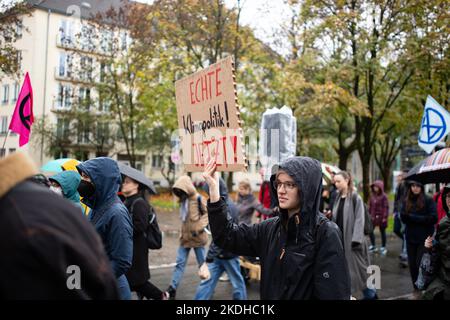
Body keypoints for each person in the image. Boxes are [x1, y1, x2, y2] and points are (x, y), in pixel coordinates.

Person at [203, 156, 351, 299]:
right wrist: (214, 190)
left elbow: (333, 292)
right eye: (279, 183)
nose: (281, 190)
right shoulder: (270, 228)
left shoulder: (325, 233)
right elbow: (227, 236)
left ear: (307, 188)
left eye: (290, 184)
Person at [0, 152, 119, 299]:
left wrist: (75, 287)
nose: (54, 188)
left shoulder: (108, 210)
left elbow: (114, 259)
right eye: (53, 184)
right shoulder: (58, 207)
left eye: (87, 177)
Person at [76, 157, 133, 300]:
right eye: (82, 176)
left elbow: (122, 260)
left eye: (86, 177)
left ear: (101, 179)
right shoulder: (96, 207)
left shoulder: (117, 213)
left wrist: (95, 278)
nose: (82, 181)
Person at [194, 178, 247, 300]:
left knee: (236, 284)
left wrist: (208, 259)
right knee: (233, 283)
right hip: (224, 253)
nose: (208, 194)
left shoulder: (224, 206)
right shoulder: (223, 203)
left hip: (227, 253)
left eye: (209, 191)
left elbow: (222, 237)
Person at [121, 175, 168, 300]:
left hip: (137, 249)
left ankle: (161, 296)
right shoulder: (127, 200)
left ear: (136, 185)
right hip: (130, 247)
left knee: (137, 282)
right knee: (135, 282)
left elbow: (140, 226)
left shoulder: (139, 202)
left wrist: (122, 230)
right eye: (123, 182)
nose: (123, 184)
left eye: (127, 182)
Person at [332, 171, 376, 299]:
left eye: (339, 181)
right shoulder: (338, 197)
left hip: (353, 244)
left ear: (347, 180)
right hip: (341, 242)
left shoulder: (355, 197)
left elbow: (359, 219)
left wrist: (356, 241)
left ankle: (371, 295)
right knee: (346, 274)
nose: (336, 184)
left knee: (361, 273)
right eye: (335, 182)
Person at [167, 175, 209, 299]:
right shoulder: (183, 201)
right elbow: (184, 220)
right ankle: (172, 288)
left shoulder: (198, 198)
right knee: (179, 264)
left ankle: (207, 288)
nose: (180, 193)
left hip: (197, 238)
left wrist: (199, 227)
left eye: (182, 190)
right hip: (185, 239)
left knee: (203, 266)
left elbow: (207, 214)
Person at [400, 180, 437, 298]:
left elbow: (433, 218)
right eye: (413, 186)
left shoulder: (428, 200)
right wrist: (407, 217)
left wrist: (413, 217)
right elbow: (403, 217)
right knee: (412, 265)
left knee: (420, 263)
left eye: (417, 186)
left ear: (421, 187)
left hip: (424, 238)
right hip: (410, 238)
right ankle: (416, 288)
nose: (415, 188)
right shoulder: (406, 200)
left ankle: (423, 287)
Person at [423, 183, 450, 300]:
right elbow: (438, 251)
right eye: (448, 196)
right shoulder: (444, 222)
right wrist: (430, 246)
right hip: (443, 278)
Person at [368, 180, 389, 255]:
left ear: (380, 187)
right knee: (370, 231)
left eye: (377, 187)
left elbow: (386, 207)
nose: (375, 188)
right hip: (373, 217)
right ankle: (373, 245)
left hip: (381, 217)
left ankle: (383, 247)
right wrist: (369, 214)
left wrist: (384, 217)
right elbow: (370, 206)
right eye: (374, 187)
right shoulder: (372, 195)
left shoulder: (384, 196)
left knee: (382, 232)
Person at [394, 171, 409, 266]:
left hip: (406, 212)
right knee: (396, 229)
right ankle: (406, 246)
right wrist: (395, 211)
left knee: (405, 233)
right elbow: (397, 199)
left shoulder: (408, 185)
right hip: (399, 211)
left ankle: (405, 255)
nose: (400, 177)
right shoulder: (399, 186)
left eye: (402, 175)